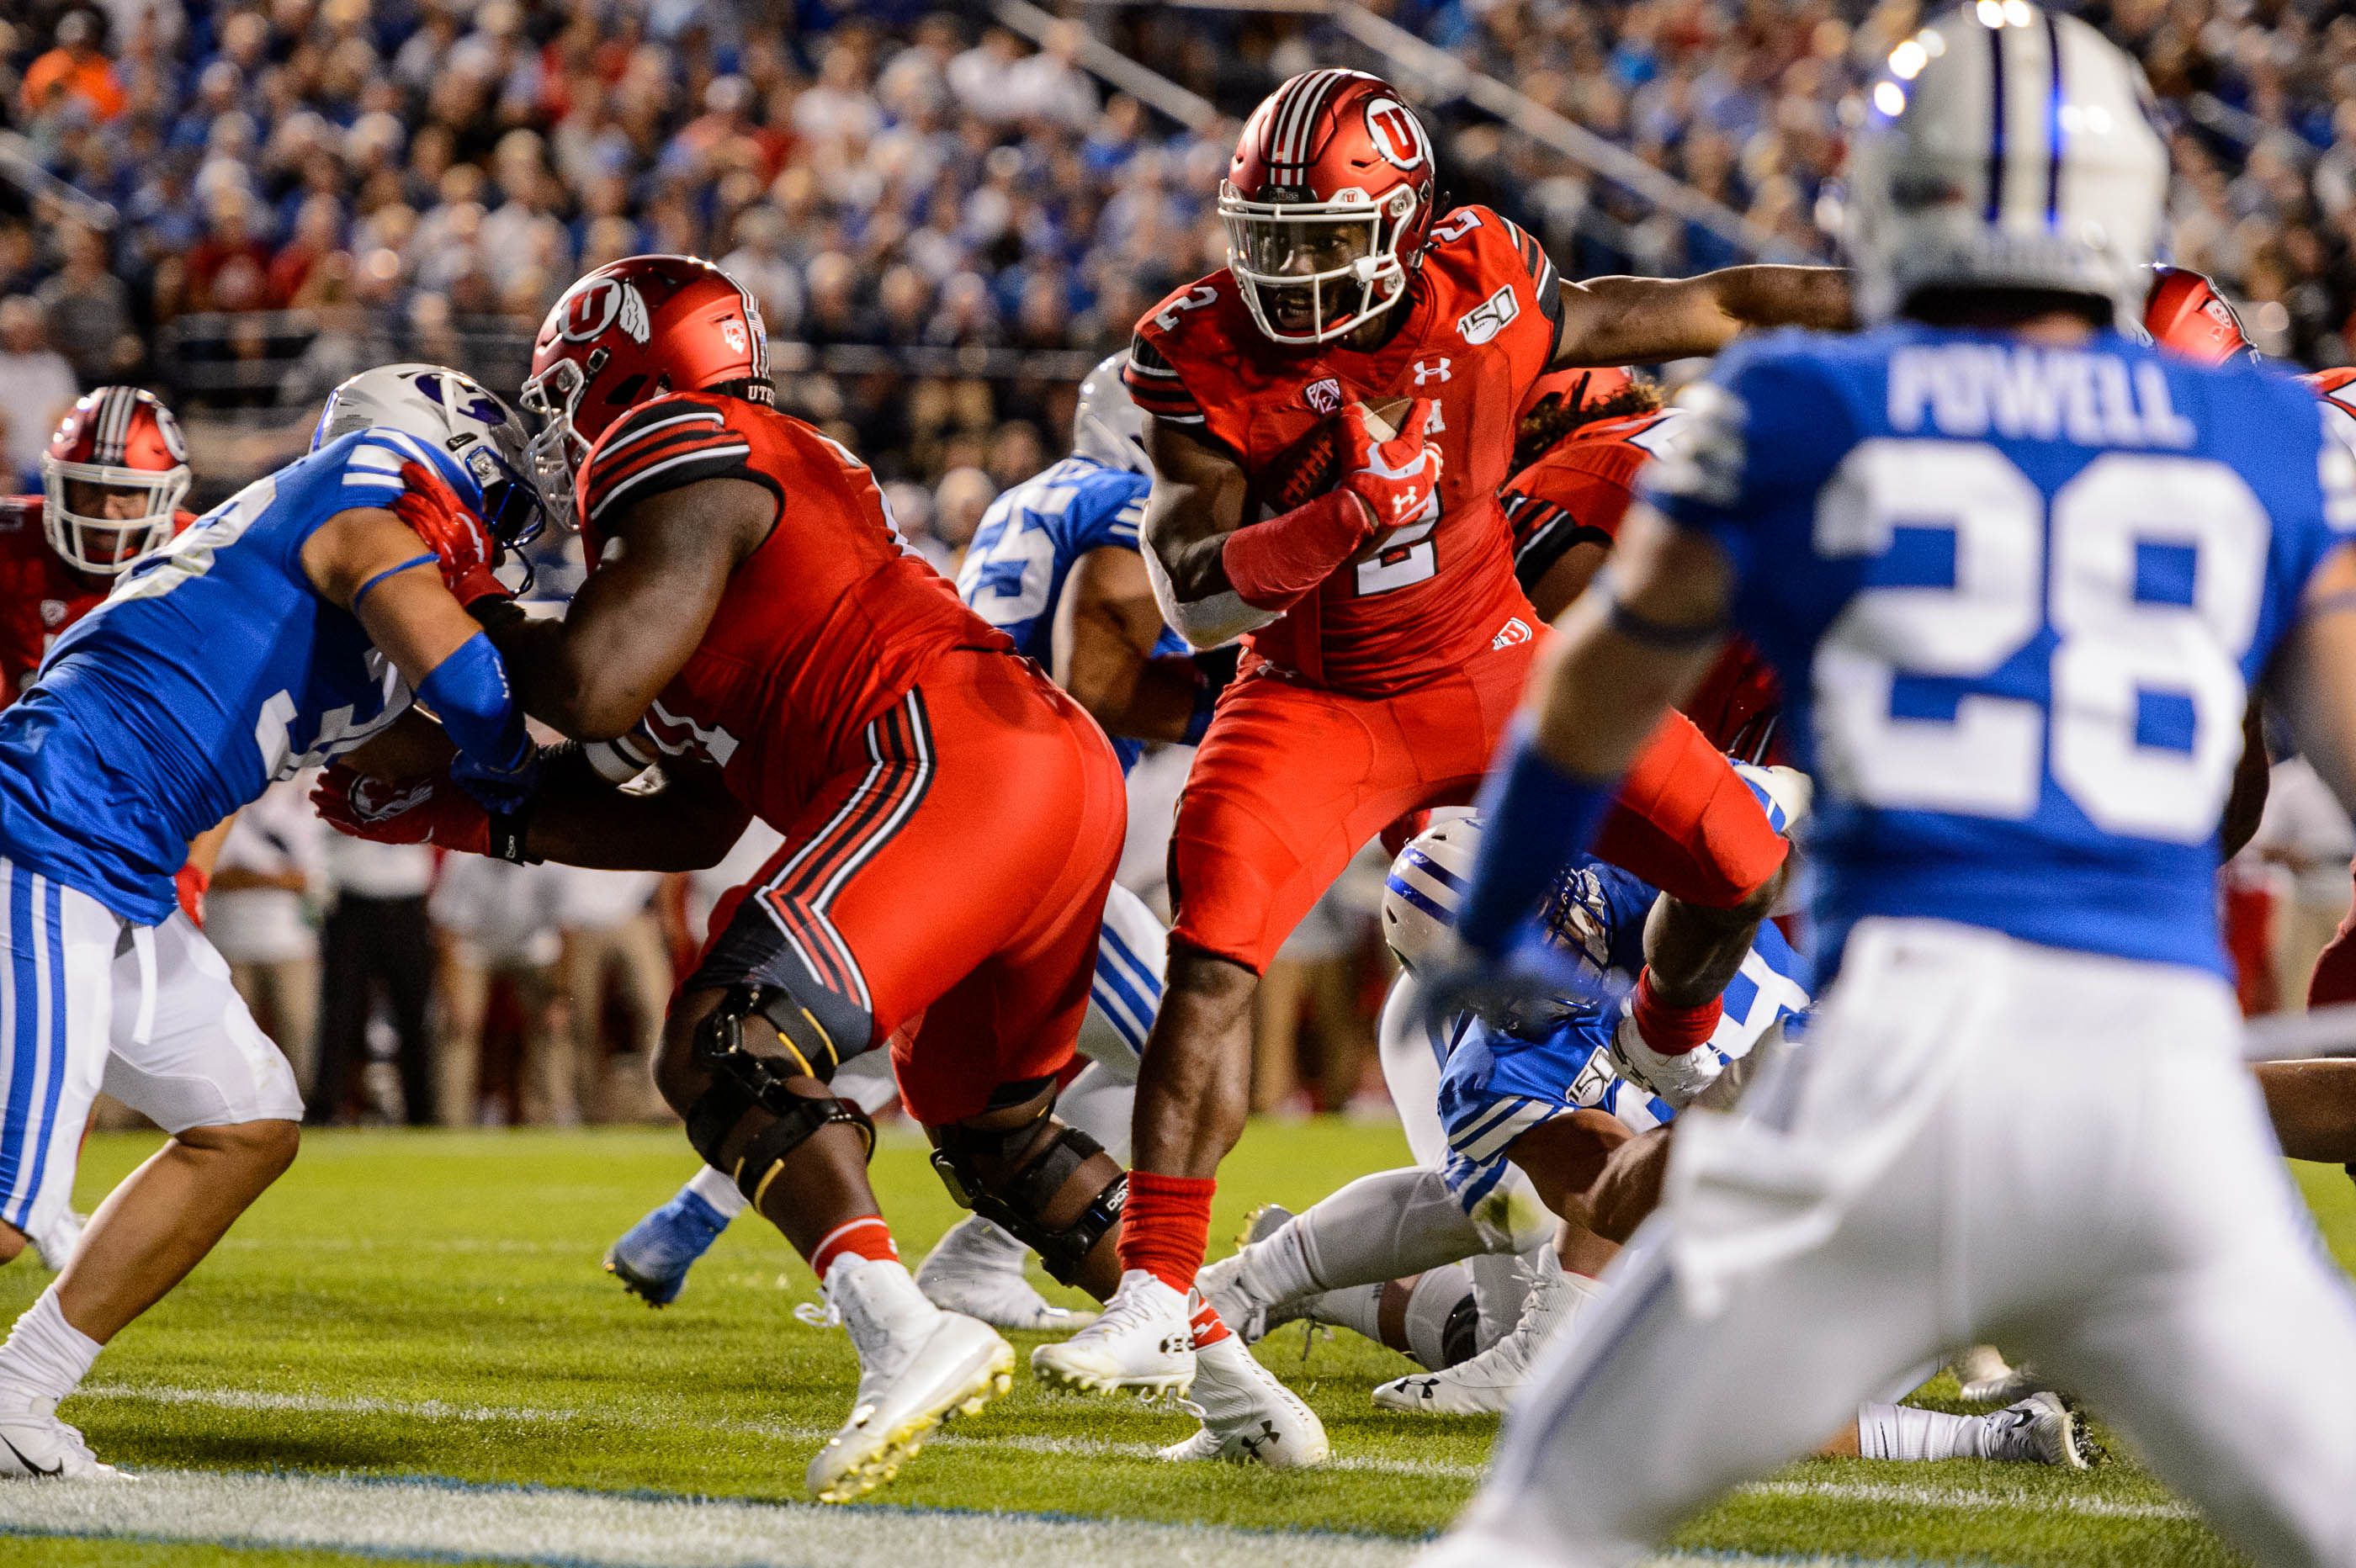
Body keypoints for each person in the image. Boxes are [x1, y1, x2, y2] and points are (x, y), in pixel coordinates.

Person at [1429, 9, 2356, 1563]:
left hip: (1889, 1076)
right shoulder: (2261, 434)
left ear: (1895, 199)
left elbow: (1581, 713)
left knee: (1543, 1517)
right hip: (2158, 1098)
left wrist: (1493, 925)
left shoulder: (1795, 410)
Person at [1041, 66, 1844, 1397]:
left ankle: (1658, 1032)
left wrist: (1928, 317)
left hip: (1496, 662)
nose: (1289, 281)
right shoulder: (1198, 347)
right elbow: (1190, 592)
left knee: (1746, 857)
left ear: (1409, 227)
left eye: (1323, 245)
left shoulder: (1489, 287)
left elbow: (1722, 303)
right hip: (1315, 694)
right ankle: (1155, 1288)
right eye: (1269, 245)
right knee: (1213, 959)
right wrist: (1341, 516)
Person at [316, 257, 1169, 1504]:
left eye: (566, 394)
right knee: (997, 1140)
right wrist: (472, 815)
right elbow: (692, 821)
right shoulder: (717, 551)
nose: (559, 433)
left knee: (727, 1038)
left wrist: (452, 612)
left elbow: (588, 686)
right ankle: (1224, 1354)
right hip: (1019, 769)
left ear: (625, 371)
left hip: (960, 763)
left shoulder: (678, 441)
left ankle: (903, 1331)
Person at [0, 360, 542, 1477]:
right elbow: (479, 699)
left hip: (120, 856)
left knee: (245, 1120)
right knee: (9, 1208)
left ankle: (17, 1394)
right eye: (497, 492)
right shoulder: (362, 489)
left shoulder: (329, 557)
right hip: (54, 826)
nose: (499, 526)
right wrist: (531, 762)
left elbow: (397, 738)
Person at [605, 357, 1183, 1339]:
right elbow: (1120, 667)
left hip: (943, 773)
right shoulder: (1128, 505)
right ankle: (1103, 1279)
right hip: (1018, 787)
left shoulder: (1029, 499)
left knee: (878, 1019)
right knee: (1180, 1043)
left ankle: (695, 1214)